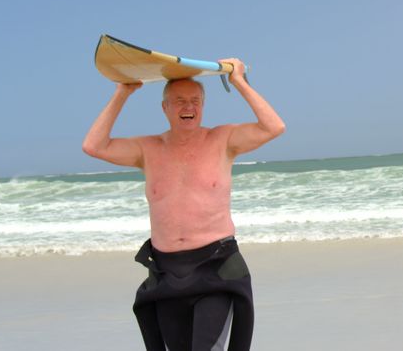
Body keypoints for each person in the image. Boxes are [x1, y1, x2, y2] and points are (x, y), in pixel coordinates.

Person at [82, 58, 285, 351]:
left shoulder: (224, 140)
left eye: (194, 101)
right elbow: (93, 146)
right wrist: (122, 92)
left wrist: (239, 80)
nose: (187, 107)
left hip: (215, 267)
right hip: (167, 273)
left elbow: (274, 126)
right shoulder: (147, 149)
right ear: (165, 108)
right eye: (178, 101)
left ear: (203, 106)